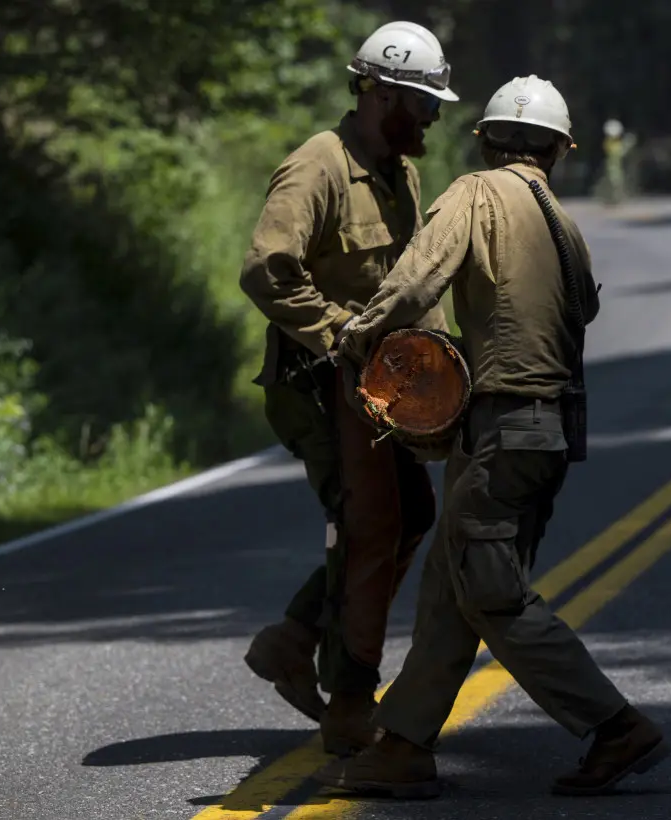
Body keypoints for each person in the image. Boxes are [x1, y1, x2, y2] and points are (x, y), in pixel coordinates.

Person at [313, 75, 670, 798]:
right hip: (546, 437)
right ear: (559, 151)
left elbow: (417, 281)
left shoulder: (476, 195)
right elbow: (587, 309)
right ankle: (403, 747)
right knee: (454, 591)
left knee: (493, 593)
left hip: (503, 430)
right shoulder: (565, 227)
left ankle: (614, 724)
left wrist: (356, 335)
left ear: (487, 139)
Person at [237, 20, 460, 756]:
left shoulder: (400, 169)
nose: (430, 120)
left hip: (379, 390)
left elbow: (406, 282)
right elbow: (267, 269)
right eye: (423, 106)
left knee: (410, 513)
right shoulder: (318, 167)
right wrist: (338, 335)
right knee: (370, 530)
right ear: (380, 92)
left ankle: (295, 639)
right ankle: (351, 701)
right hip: (321, 384)